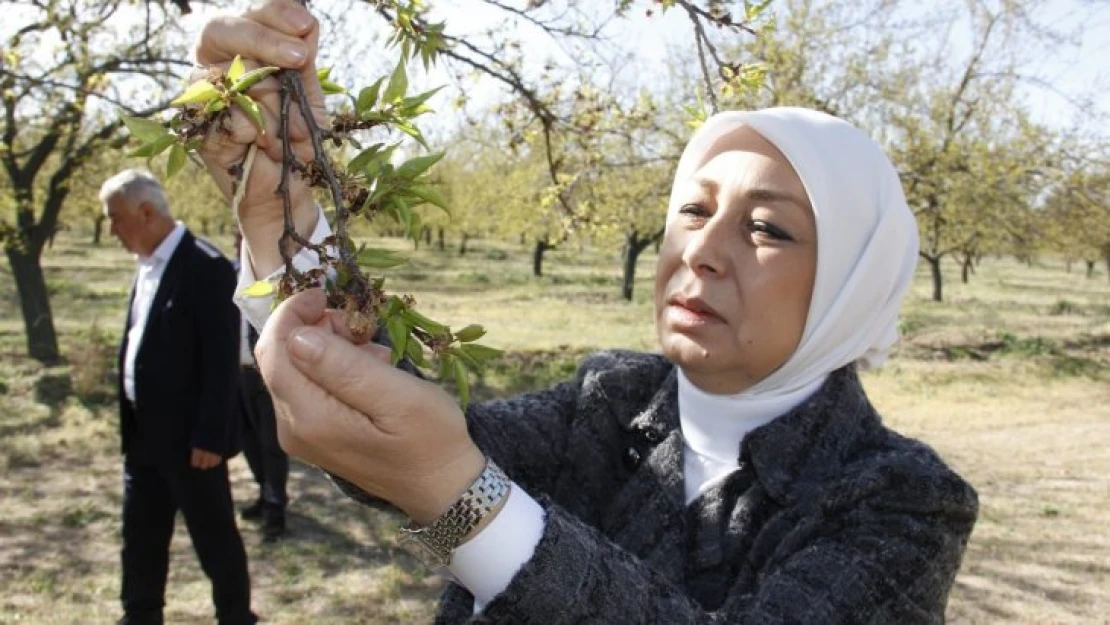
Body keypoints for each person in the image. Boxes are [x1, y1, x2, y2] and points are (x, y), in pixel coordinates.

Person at [195, 2, 979, 622]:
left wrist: (457, 499)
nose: (702, 250)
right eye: (694, 209)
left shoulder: (900, 500)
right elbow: (408, 430)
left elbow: (440, 466)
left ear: (851, 283)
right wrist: (279, 215)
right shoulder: (614, 400)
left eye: (767, 227)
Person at [102, 170, 257, 625]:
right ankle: (140, 614)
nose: (111, 230)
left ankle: (235, 617)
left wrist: (211, 434)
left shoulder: (205, 266)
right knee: (141, 536)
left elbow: (221, 360)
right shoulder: (147, 263)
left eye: (115, 219)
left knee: (215, 540)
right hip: (143, 436)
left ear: (145, 212)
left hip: (193, 444)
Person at [233, 233, 289, 542]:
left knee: (271, 446)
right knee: (248, 440)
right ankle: (263, 492)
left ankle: (275, 510)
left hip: (266, 376)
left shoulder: (274, 282)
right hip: (238, 375)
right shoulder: (228, 275)